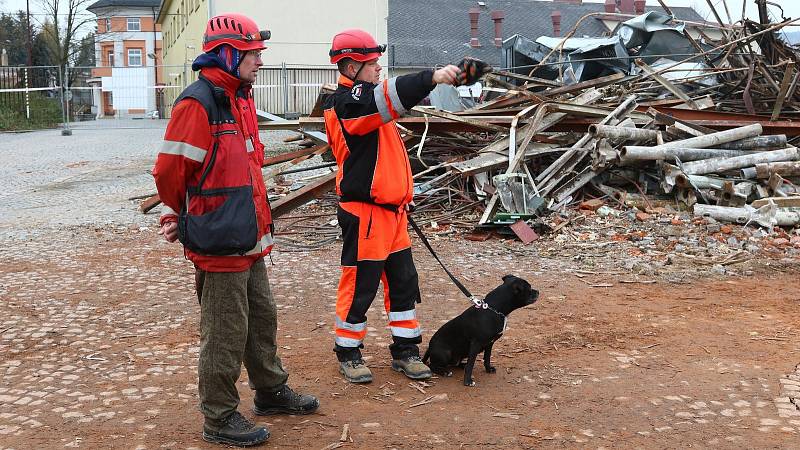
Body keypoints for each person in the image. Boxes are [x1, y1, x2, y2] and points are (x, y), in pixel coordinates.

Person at [153, 13, 318, 447]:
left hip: (248, 235)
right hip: (219, 239)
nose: (260, 61)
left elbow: (246, 166)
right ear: (227, 54)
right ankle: (220, 416)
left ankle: (270, 391)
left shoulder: (239, 98)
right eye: (252, 53)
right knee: (224, 332)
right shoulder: (198, 103)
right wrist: (180, 213)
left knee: (262, 319)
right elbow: (171, 170)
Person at [324, 29, 461, 384]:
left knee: (402, 283)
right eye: (372, 64)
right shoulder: (348, 102)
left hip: (392, 214)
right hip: (365, 213)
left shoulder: (363, 101)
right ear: (351, 65)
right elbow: (388, 97)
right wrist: (431, 78)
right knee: (360, 285)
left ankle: (405, 351)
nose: (378, 69)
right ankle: (349, 352)